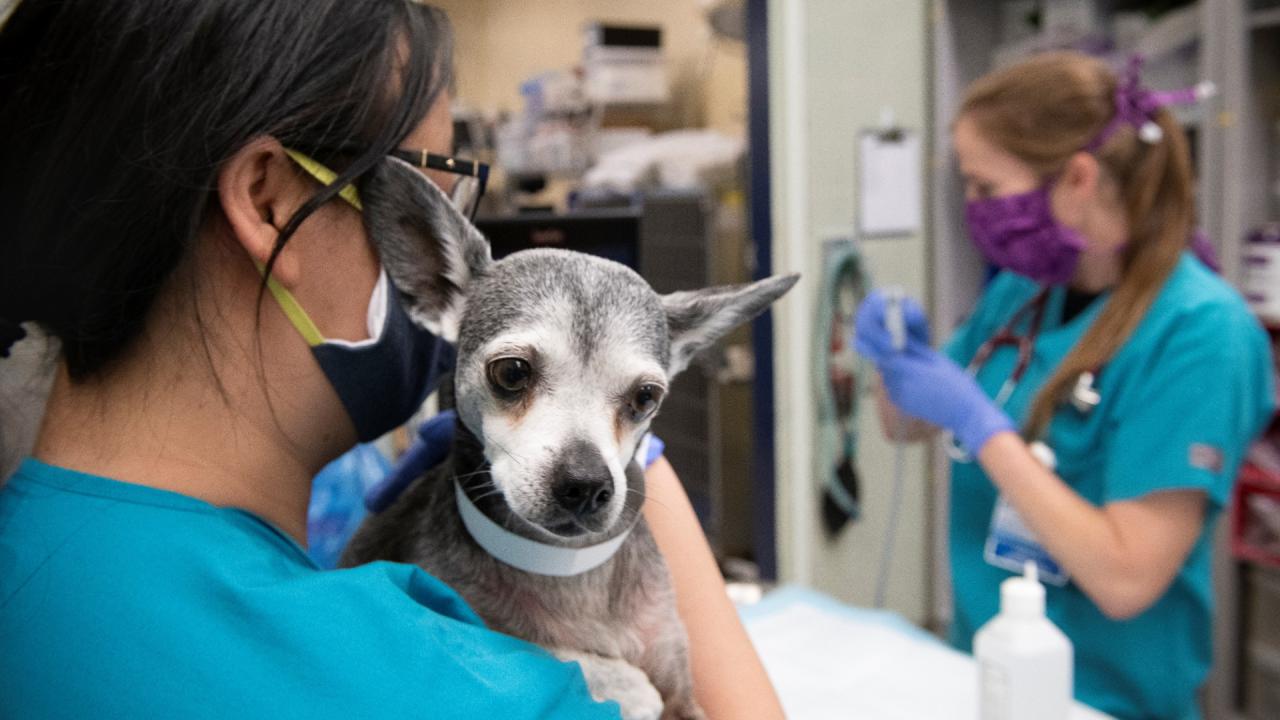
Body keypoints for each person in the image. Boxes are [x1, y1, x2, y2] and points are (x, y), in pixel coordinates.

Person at [0, 2, 783, 718]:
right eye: (433, 189)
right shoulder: (450, 678)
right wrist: (646, 472)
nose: (441, 246)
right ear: (274, 203)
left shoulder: (30, 560)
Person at [856, 52, 1275, 720]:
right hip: (983, 680)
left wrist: (984, 429)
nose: (973, 209)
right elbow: (907, 425)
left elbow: (1125, 577)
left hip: (1107, 703)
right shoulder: (1025, 293)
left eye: (987, 188)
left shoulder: (1202, 333)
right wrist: (897, 362)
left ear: (1078, 178)